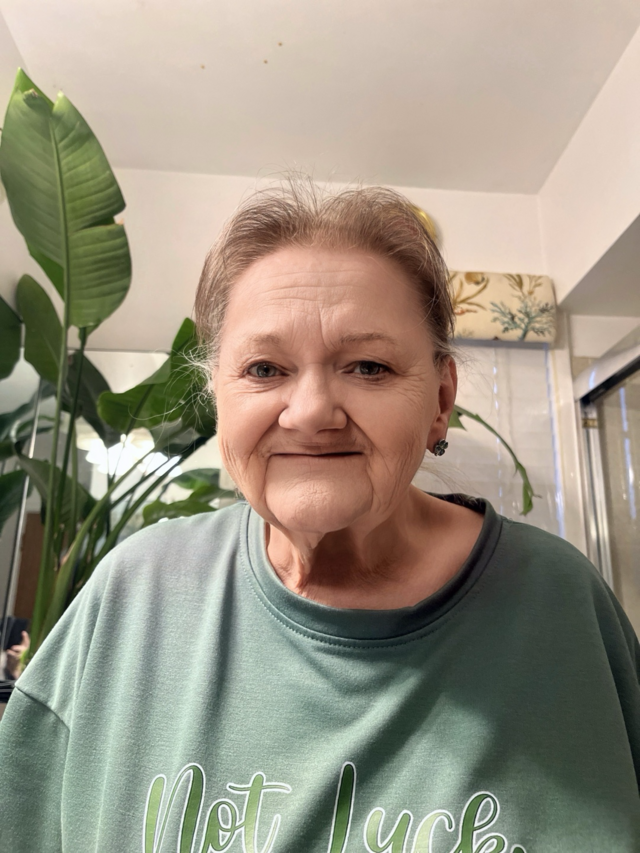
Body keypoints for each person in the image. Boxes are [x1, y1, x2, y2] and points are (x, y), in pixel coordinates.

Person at [0, 181, 638, 853]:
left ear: (441, 399)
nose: (309, 413)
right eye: (263, 368)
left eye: (368, 366)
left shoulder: (560, 604)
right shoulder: (135, 593)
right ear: (217, 395)